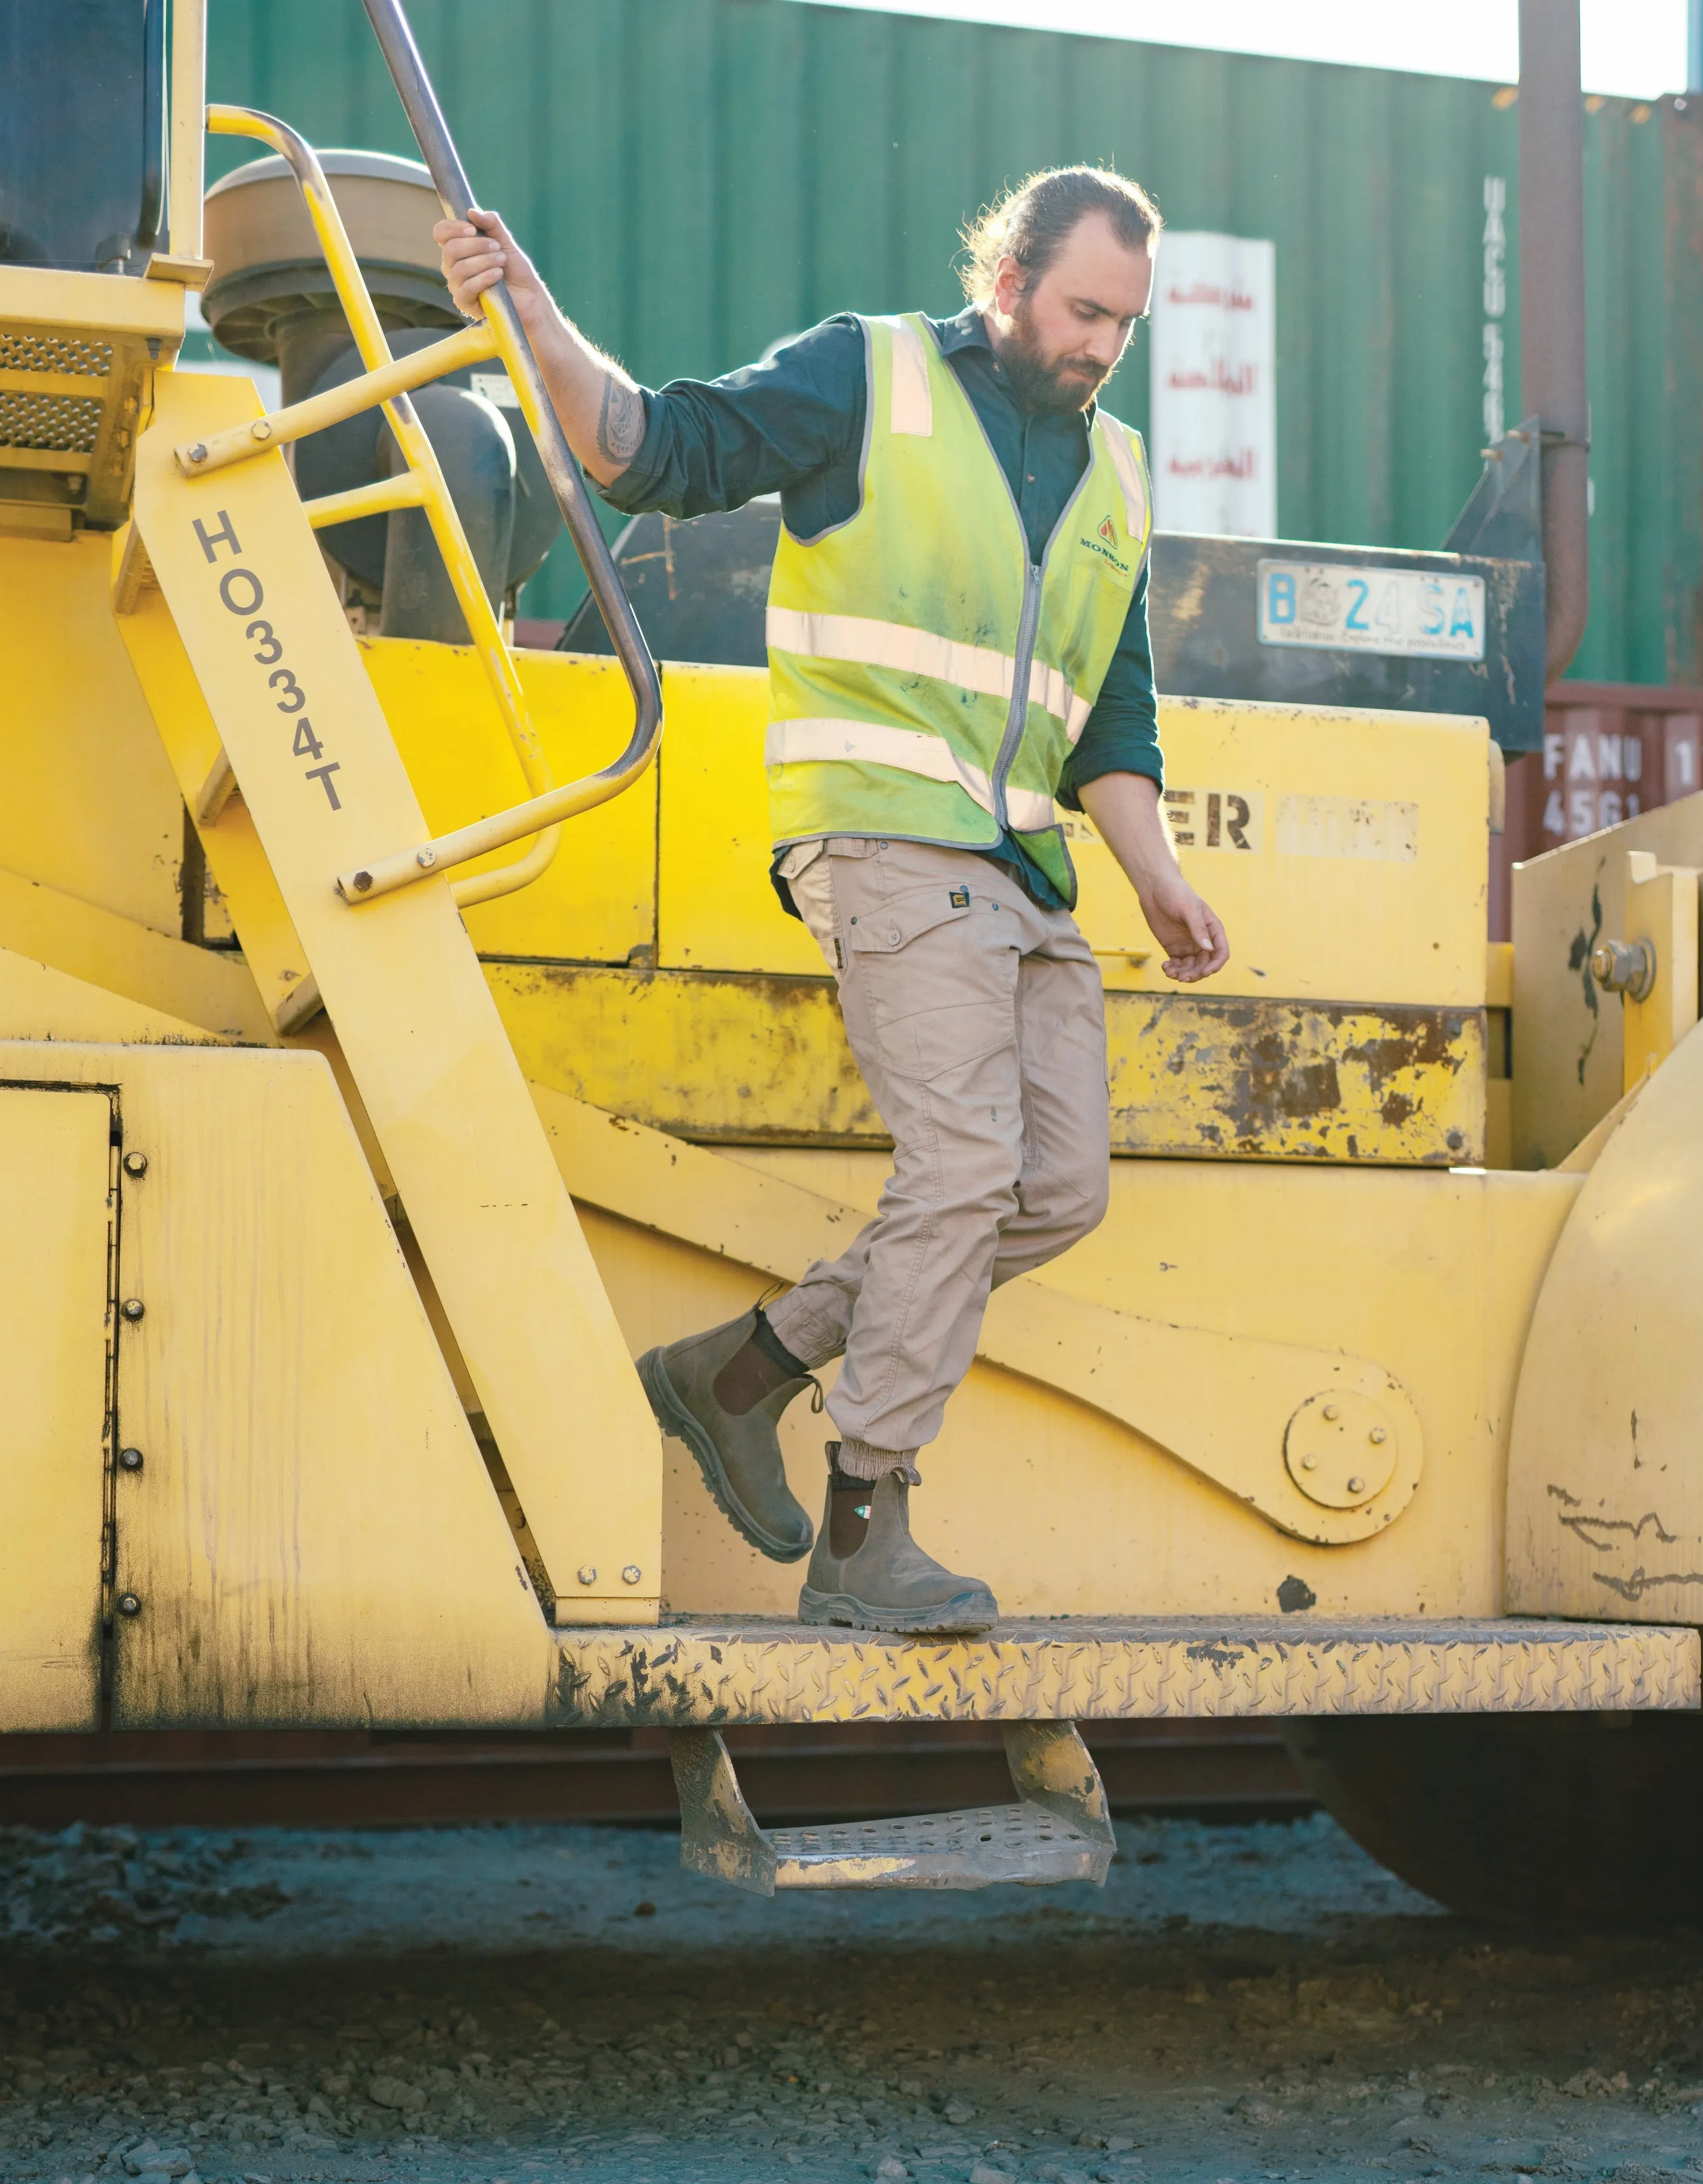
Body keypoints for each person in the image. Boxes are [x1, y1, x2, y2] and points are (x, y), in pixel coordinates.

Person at [436, 164, 1229, 1633]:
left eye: (1125, 323)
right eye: (1081, 311)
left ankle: (737, 1374)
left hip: (1026, 870)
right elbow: (650, 450)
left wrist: (1160, 878)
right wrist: (536, 316)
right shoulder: (868, 377)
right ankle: (865, 1525)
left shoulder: (1115, 472)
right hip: (881, 836)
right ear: (1007, 281)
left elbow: (1111, 718)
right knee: (960, 1172)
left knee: (1056, 1189)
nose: (1101, 346)